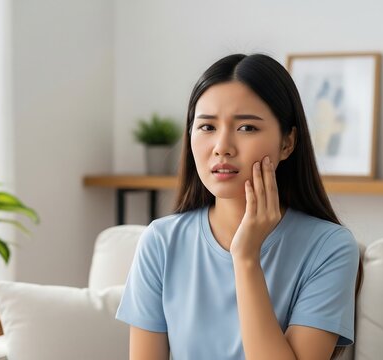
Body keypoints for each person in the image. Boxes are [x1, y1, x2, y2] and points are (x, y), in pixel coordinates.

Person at [115, 53, 363, 360]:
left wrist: (246, 258)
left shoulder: (330, 247)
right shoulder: (161, 241)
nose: (222, 147)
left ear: (287, 143)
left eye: (246, 128)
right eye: (207, 127)